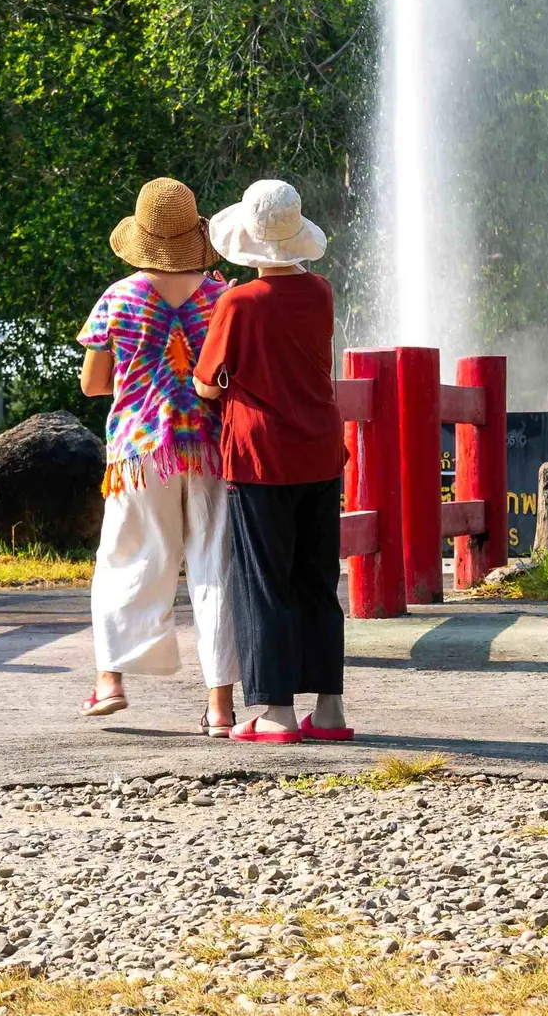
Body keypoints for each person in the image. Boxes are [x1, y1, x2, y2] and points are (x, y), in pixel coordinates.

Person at [76, 177, 239, 736]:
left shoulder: (119, 298)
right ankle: (220, 705)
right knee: (217, 566)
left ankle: (111, 681)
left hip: (141, 450)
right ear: (194, 234)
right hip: (213, 449)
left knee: (130, 559)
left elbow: (94, 384)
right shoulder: (222, 299)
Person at [193, 179, 353, 745]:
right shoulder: (323, 293)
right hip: (320, 447)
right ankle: (329, 708)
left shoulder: (237, 302)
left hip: (261, 454)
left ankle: (276, 711)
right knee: (316, 578)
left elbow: (206, 385)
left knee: (265, 581)